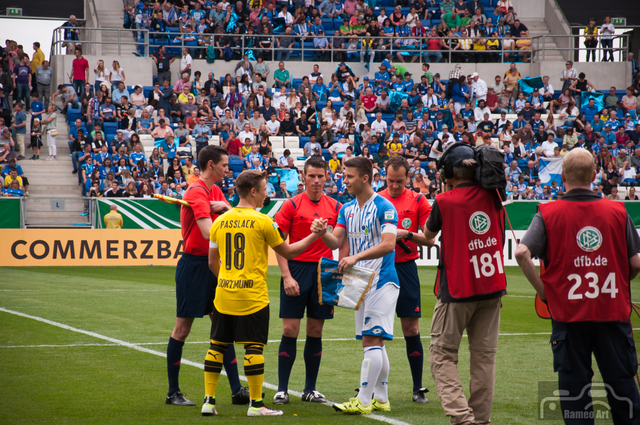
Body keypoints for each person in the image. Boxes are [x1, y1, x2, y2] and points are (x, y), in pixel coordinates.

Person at [515, 148, 640, 424]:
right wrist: (617, 283)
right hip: (611, 313)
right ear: (594, 175)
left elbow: (522, 253)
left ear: (562, 177)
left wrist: (544, 293)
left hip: (568, 316)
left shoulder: (547, 212)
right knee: (624, 392)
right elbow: (635, 264)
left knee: (575, 400)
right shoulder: (618, 211)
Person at [203, 169, 324, 417]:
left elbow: (212, 262)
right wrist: (315, 235)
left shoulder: (219, 222)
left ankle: (209, 402)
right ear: (253, 191)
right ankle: (256, 405)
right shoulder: (263, 221)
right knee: (253, 349)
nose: (266, 195)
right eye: (265, 190)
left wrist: (227, 280)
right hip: (252, 297)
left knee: (217, 347)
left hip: (224, 294)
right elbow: (289, 252)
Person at [423, 143, 506, 425]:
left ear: (449, 172)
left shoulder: (445, 201)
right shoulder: (494, 196)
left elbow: (428, 234)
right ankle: (480, 420)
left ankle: (462, 418)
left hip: (458, 291)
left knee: (442, 355)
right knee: (484, 359)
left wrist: (405, 234)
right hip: (492, 287)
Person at [310, 156, 400, 415]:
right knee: (375, 341)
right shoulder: (347, 209)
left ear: (365, 178)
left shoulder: (385, 207)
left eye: (349, 176)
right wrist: (322, 232)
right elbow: (336, 242)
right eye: (344, 176)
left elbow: (389, 244)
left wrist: (355, 257)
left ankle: (363, 400)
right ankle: (381, 398)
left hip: (382, 280)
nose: (344, 181)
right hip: (362, 283)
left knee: (371, 340)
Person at [165, 146, 248, 408]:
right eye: (224, 165)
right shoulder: (196, 191)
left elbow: (230, 222)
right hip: (194, 266)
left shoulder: (216, 192)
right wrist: (226, 212)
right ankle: (173, 393)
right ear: (211, 165)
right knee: (182, 328)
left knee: (223, 327)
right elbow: (208, 232)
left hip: (215, 264)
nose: (227, 169)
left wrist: (226, 208)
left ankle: (236, 390)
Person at [272, 157, 343, 405]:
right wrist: (286, 276)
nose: (316, 180)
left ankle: (310, 389)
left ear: (327, 177)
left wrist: (324, 234)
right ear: (303, 176)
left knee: (315, 330)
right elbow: (279, 243)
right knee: (289, 330)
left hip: (324, 272)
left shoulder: (335, 206)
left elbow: (338, 242)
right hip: (296, 270)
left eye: (320, 176)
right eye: (311, 175)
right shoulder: (291, 204)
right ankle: (282, 389)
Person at [378, 156, 432, 403]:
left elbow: (429, 239)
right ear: (384, 177)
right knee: (376, 329)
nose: (394, 185)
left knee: (411, 328)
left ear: (408, 177)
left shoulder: (419, 200)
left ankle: (418, 387)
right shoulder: (376, 199)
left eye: (399, 181)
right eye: (390, 180)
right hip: (381, 267)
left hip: (406, 269)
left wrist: (407, 234)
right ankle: (374, 387)